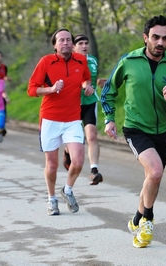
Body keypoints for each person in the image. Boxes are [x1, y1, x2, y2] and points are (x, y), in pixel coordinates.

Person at [101, 15, 166, 248]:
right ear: (145, 38)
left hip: (162, 130)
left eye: (165, 38)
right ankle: (148, 220)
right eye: (155, 37)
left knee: (152, 178)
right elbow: (108, 90)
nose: (160, 42)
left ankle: (135, 219)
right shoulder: (129, 61)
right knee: (156, 171)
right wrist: (109, 119)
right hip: (136, 128)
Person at [27, 28, 94, 216]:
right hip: (50, 119)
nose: (65, 43)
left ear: (72, 44)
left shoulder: (80, 60)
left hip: (73, 119)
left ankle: (68, 190)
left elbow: (85, 78)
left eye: (68, 40)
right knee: (52, 165)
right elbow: (32, 90)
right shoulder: (46, 62)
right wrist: (51, 89)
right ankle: (51, 199)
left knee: (79, 160)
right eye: (61, 40)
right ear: (55, 45)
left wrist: (86, 87)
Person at [63, 34, 103, 185]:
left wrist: (95, 84)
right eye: (80, 43)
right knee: (75, 140)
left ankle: (94, 171)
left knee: (91, 136)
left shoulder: (93, 60)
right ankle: (67, 151)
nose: (85, 46)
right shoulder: (67, 61)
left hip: (89, 102)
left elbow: (91, 79)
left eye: (86, 43)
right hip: (72, 104)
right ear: (73, 46)